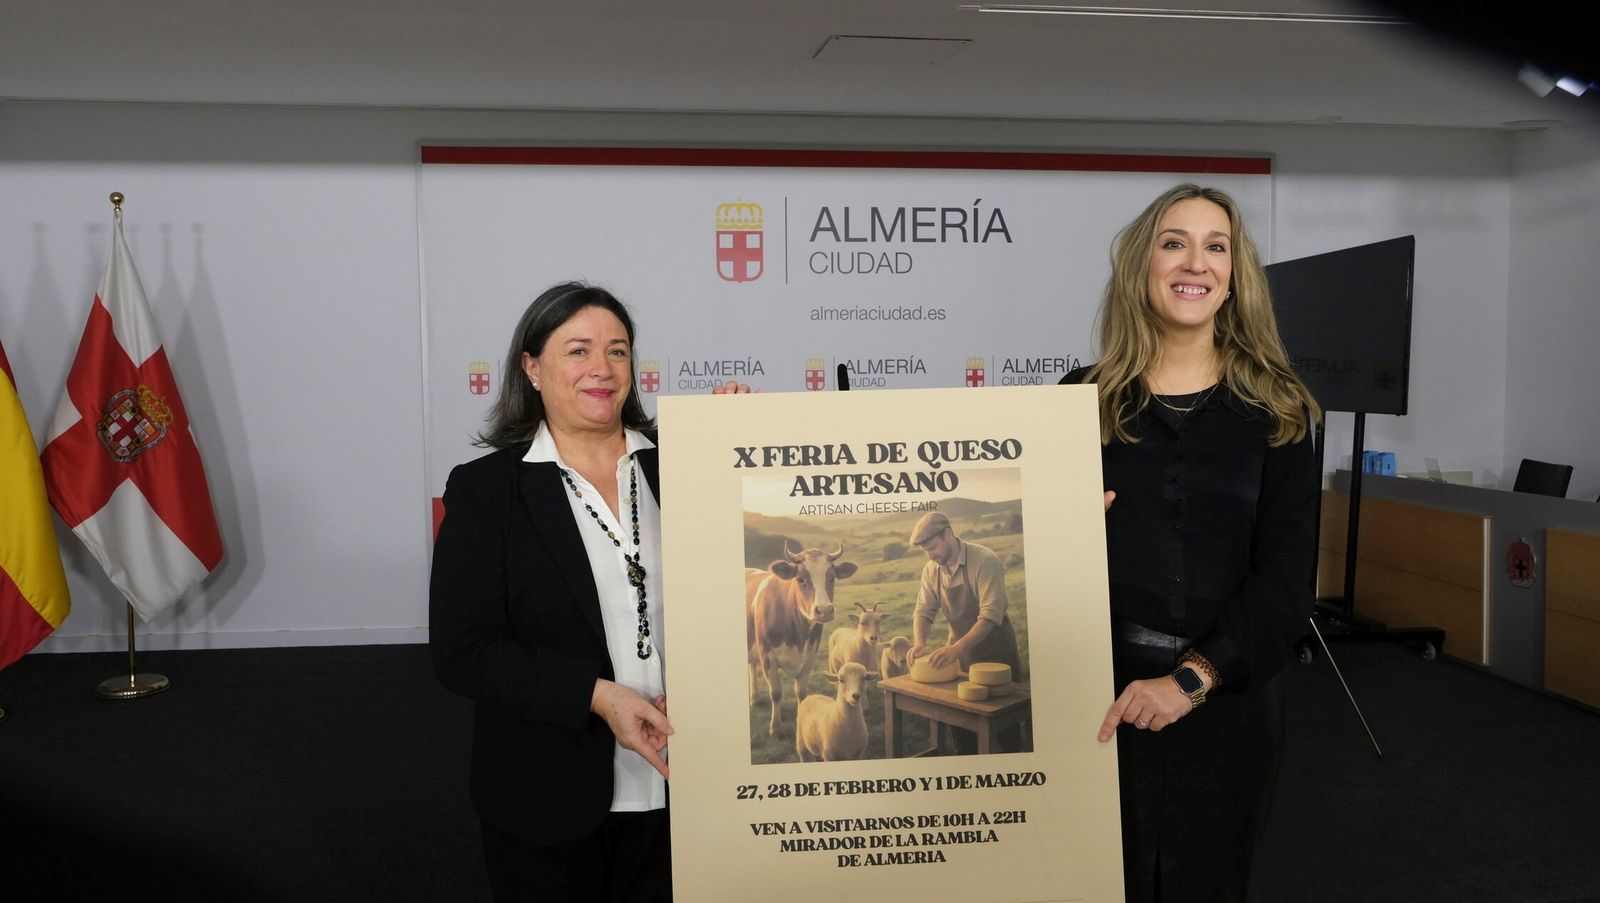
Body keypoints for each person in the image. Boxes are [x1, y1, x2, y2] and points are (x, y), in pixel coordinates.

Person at [431, 282, 748, 902]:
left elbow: (750, 584)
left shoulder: (688, 463)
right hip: (547, 799)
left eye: (618, 351)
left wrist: (745, 442)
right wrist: (598, 697)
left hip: (696, 791)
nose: (602, 369)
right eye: (578, 350)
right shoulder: (488, 491)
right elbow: (463, 652)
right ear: (532, 366)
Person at [1060, 184, 1322, 902]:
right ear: (1143, 264)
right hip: (1101, 698)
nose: (1195, 262)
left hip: (1230, 702)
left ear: (1235, 276)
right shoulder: (1081, 401)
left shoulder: (1282, 411)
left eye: (1217, 246)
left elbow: (1286, 582)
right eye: (1175, 241)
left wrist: (1189, 681)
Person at [905, 511, 1022, 675]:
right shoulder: (931, 570)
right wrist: (920, 643)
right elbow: (923, 611)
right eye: (925, 551)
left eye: (933, 548)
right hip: (961, 654)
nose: (930, 556)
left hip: (997, 654)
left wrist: (957, 648)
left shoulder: (984, 561)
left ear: (948, 534)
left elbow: (990, 616)